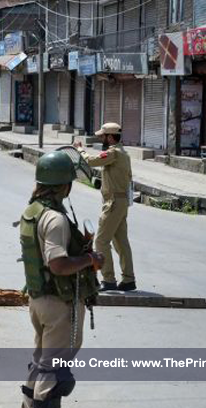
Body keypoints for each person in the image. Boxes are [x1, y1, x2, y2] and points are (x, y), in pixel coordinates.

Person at [19, 151, 104, 408]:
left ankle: (28, 403)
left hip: (39, 299)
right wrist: (91, 260)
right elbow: (57, 264)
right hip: (58, 304)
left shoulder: (33, 210)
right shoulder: (55, 219)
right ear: (63, 185)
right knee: (55, 374)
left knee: (42, 362)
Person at [73, 122, 135, 292]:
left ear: (110, 136)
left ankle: (109, 280)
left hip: (114, 202)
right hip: (121, 202)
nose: (101, 139)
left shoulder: (113, 152)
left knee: (101, 241)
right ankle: (129, 280)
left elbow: (91, 161)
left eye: (103, 136)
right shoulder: (123, 153)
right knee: (121, 242)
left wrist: (79, 149)